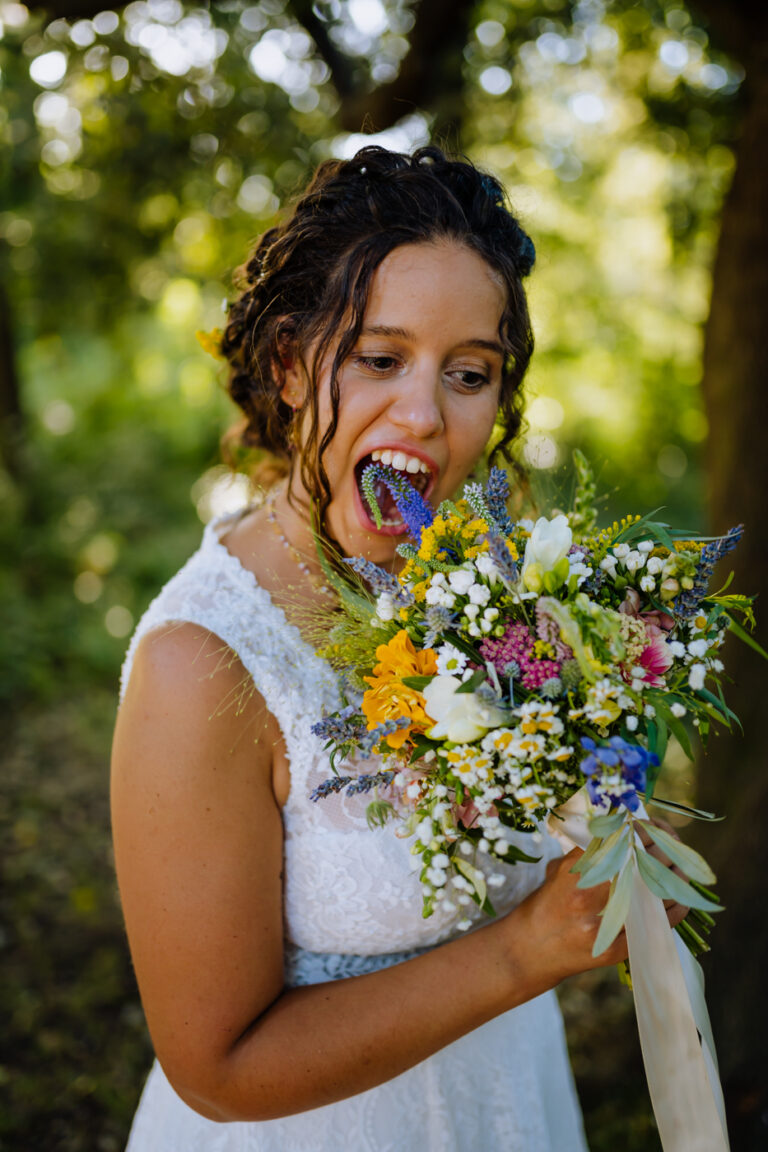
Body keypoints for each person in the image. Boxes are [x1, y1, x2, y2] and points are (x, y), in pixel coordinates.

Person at [111, 145, 686, 1151]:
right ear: (291, 365)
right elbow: (217, 1067)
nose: (423, 416)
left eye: (469, 372)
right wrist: (530, 949)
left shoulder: (491, 592)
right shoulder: (200, 663)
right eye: (380, 358)